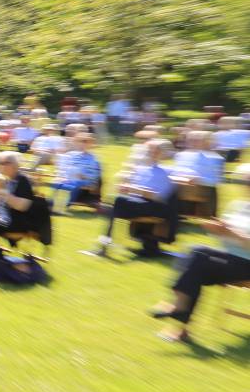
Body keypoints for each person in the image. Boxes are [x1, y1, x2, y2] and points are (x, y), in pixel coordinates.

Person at [150, 163, 250, 342]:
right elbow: (226, 237)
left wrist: (230, 232)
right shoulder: (239, 206)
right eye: (245, 182)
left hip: (247, 265)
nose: (246, 186)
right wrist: (218, 229)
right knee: (196, 252)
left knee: (199, 262)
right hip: (232, 258)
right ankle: (180, 317)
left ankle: (180, 318)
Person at [93, 140, 175, 258]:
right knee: (114, 205)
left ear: (162, 154)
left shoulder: (166, 171)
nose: (152, 153)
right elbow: (134, 187)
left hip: (155, 206)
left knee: (116, 203)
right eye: (150, 150)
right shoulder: (142, 169)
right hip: (139, 202)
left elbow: (157, 196)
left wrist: (133, 189)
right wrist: (126, 188)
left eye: (156, 151)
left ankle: (106, 245)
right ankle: (107, 244)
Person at [50, 133, 103, 214]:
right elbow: (63, 168)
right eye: (81, 142)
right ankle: (51, 204)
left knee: (73, 184)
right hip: (69, 178)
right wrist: (61, 176)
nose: (83, 144)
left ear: (90, 144)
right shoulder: (71, 155)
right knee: (57, 183)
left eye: (85, 142)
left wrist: (84, 176)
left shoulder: (93, 159)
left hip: (83, 180)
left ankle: (63, 206)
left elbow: (95, 176)